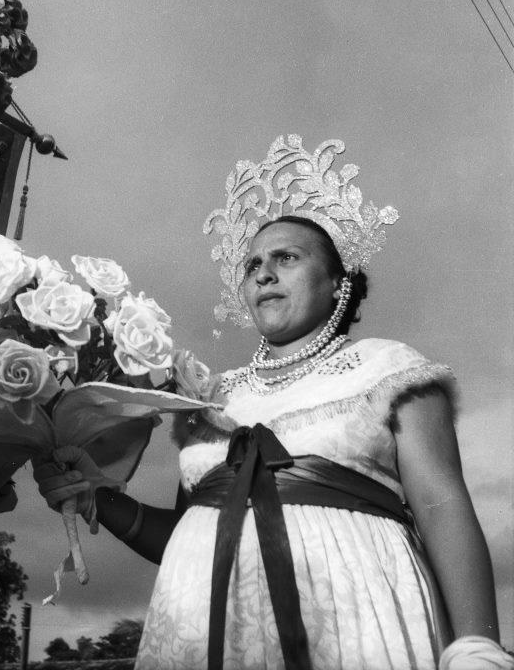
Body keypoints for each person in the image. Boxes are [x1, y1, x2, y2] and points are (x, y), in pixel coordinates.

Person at [34, 136, 511, 670]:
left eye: (287, 258)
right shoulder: (209, 396)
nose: (263, 272)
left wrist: (477, 649)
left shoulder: (389, 367)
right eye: (253, 264)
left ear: (337, 283)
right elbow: (183, 533)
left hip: (355, 627)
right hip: (200, 633)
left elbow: (442, 508)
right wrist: (96, 495)